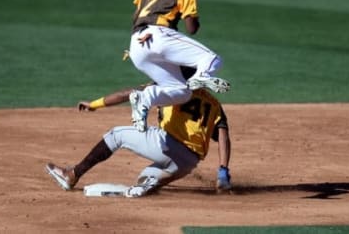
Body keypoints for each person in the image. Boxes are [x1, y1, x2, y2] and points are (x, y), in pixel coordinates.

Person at [45, 84, 232, 197]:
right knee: (144, 178)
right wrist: (223, 171)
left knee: (117, 135)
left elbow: (128, 94)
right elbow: (223, 134)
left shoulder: (170, 84)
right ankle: (144, 188)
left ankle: (73, 175)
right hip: (188, 162)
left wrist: (95, 104)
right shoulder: (214, 103)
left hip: (166, 145)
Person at [128, 0, 230, 132]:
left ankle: (145, 98)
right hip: (159, 35)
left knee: (181, 92)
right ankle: (201, 77)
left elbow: (136, 12)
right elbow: (192, 29)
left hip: (137, 44)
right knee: (211, 59)